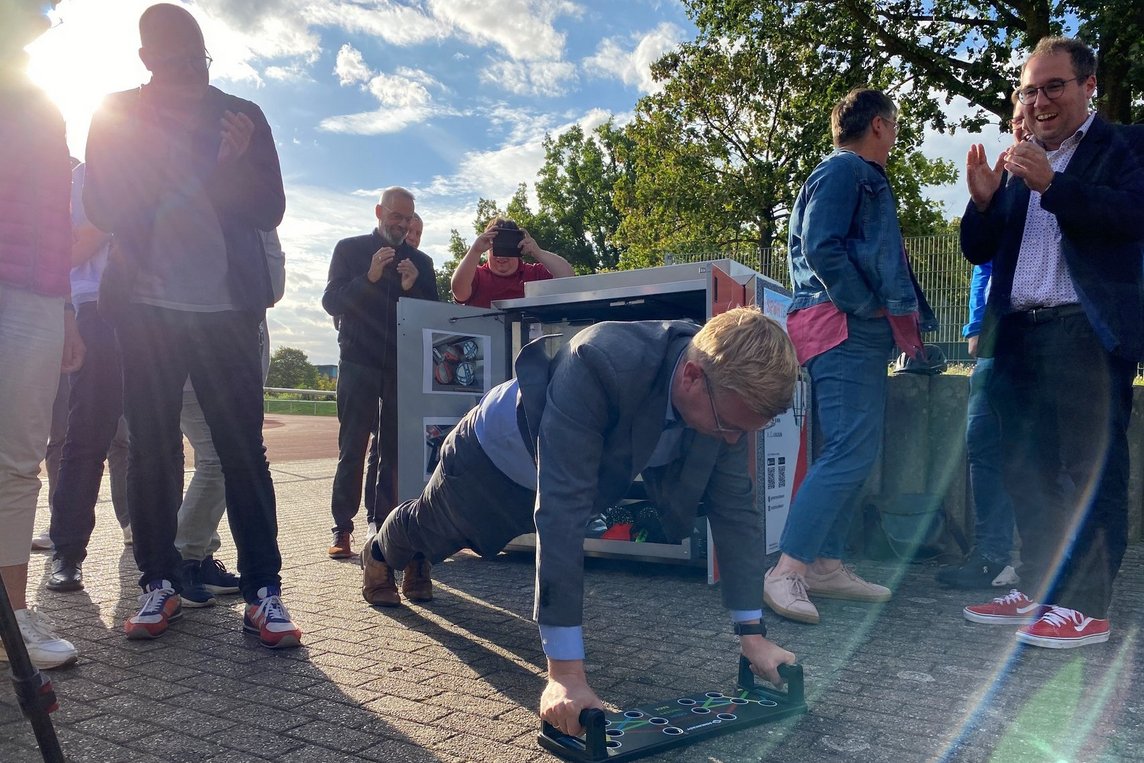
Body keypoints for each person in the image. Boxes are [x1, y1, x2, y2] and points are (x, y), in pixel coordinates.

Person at [363, 306, 800, 735]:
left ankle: (419, 556)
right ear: (691, 377)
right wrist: (565, 675)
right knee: (434, 526)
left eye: (746, 430)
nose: (734, 440)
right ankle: (382, 552)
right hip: (492, 460)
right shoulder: (600, 359)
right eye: (729, 426)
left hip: (551, 476)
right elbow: (562, 510)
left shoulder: (723, 391)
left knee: (459, 539)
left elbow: (737, 513)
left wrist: (753, 636)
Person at [83, 3, 301, 648]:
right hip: (146, 310)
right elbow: (103, 206)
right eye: (176, 61)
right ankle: (158, 580)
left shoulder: (243, 114)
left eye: (199, 60)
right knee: (151, 449)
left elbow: (270, 209)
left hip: (228, 310)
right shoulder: (115, 114)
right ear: (148, 59)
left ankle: (265, 589)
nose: (190, 74)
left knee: (243, 453)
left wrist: (232, 164)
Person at [959, 37, 1143, 648]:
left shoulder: (1125, 145)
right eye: (1029, 89)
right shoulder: (1020, 157)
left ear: (1089, 85)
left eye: (1053, 86)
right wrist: (982, 205)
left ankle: (1087, 608)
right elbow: (979, 249)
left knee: (1090, 469)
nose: (1038, 101)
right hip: (1018, 332)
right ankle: (1041, 590)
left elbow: (1131, 215)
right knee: (1024, 468)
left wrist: (1055, 187)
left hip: (1084, 330)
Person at [766, 88, 936, 625]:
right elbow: (821, 245)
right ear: (880, 126)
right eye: (896, 126)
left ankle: (824, 563)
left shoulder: (845, 173)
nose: (896, 135)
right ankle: (787, 570)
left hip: (841, 328)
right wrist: (865, 306)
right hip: (844, 327)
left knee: (845, 449)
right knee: (848, 450)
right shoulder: (847, 172)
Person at [0, 0, 83, 669]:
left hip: (30, 292)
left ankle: (10, 617)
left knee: (18, 458)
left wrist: (64, 307)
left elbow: (56, 218)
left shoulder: (45, 105)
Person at [936, 98, 1026, 590]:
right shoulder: (1002, 181)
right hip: (996, 339)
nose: (1021, 124)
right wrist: (975, 326)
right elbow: (982, 263)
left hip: (1056, 336)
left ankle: (1046, 565)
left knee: (1044, 452)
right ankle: (993, 555)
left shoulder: (1070, 172)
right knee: (983, 444)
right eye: (1014, 117)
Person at [322, 187, 438, 562]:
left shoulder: (421, 262)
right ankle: (342, 528)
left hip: (400, 365)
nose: (402, 224)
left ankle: (383, 524)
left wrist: (412, 288)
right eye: (396, 216)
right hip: (357, 360)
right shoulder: (350, 250)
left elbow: (431, 319)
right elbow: (331, 301)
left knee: (392, 448)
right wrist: (369, 277)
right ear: (379, 211)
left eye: (408, 219)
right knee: (352, 447)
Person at [176, 229, 285, 607]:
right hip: (196, 371)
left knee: (221, 463)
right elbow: (271, 284)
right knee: (218, 462)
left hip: (231, 375)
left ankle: (201, 556)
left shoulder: (255, 224)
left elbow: (272, 289)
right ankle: (183, 558)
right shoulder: (221, 218)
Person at [45, 161, 133, 593]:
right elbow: (75, 245)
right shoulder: (83, 174)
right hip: (96, 307)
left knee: (158, 439)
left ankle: (160, 553)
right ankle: (68, 550)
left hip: (154, 312)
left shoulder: (168, 168)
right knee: (85, 437)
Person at [450, 217, 574, 308]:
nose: (502, 256)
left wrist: (538, 252)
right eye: (496, 249)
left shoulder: (534, 273)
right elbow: (459, 292)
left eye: (507, 248)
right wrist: (475, 250)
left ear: (518, 247)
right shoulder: (475, 274)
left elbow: (567, 278)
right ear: (487, 250)